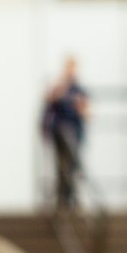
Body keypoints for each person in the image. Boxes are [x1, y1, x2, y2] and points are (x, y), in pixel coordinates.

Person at [43, 57, 91, 208]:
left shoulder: (79, 91)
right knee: (61, 166)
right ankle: (62, 199)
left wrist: (80, 107)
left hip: (75, 133)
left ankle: (72, 197)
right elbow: (49, 99)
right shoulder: (59, 88)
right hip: (60, 134)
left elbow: (86, 113)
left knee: (72, 166)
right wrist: (61, 85)